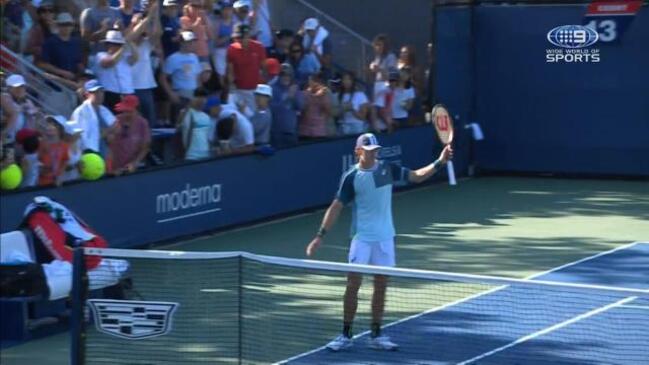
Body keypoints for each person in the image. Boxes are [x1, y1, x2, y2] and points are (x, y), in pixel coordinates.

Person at [305, 133, 453, 352]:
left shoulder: (385, 170)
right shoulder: (352, 177)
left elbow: (416, 176)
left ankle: (376, 335)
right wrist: (320, 235)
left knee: (381, 286)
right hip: (361, 238)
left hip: (385, 238)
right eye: (369, 150)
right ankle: (346, 335)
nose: (374, 153)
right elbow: (336, 207)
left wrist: (440, 161)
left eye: (375, 150)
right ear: (358, 152)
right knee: (352, 286)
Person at [70, 80, 117, 160]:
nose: (99, 95)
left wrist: (109, 133)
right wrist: (107, 132)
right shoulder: (80, 112)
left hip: (102, 153)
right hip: (88, 154)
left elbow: (115, 125)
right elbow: (82, 138)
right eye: (95, 92)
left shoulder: (104, 110)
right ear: (87, 94)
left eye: (101, 92)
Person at [227, 23, 266, 113]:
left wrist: (263, 87)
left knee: (255, 115)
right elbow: (230, 70)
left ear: (248, 36)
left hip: (255, 89)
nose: (238, 40)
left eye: (241, 37)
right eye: (236, 38)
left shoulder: (259, 47)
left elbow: (264, 68)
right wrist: (231, 85)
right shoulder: (231, 49)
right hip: (239, 89)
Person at [109, 95, 151, 173]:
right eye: (124, 111)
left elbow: (145, 147)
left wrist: (135, 162)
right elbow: (109, 145)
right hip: (114, 169)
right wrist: (110, 168)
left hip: (132, 169)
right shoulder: (114, 120)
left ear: (137, 111)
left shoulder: (143, 123)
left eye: (129, 111)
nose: (126, 114)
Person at [270, 63, 302, 148]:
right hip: (276, 134)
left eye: (288, 75)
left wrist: (294, 97)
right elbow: (273, 109)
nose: (286, 77)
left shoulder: (295, 88)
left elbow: (300, 107)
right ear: (279, 75)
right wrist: (287, 97)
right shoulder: (273, 89)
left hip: (291, 133)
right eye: (283, 74)